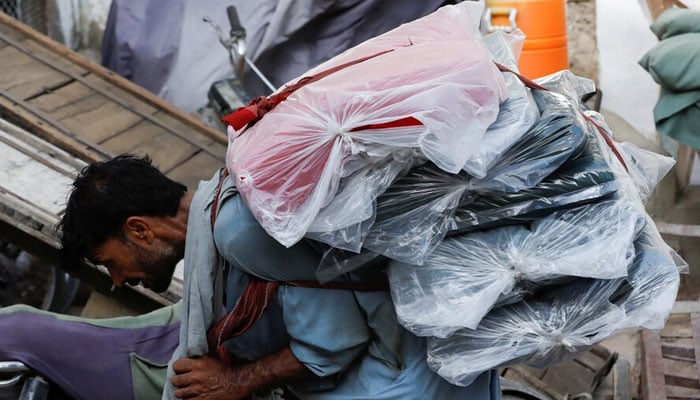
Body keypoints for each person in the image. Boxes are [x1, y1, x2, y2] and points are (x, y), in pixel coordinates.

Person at [58, 154, 501, 399]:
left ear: (139, 229)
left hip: (403, 380)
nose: (116, 280)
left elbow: (334, 340)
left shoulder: (236, 232)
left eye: (109, 261)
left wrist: (234, 382)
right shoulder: (220, 217)